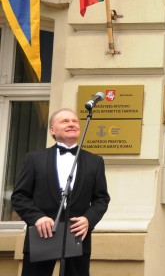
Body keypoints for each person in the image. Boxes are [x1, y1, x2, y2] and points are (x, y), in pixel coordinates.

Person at [11, 108, 110, 276]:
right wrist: (37, 218)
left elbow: (101, 199)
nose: (71, 124)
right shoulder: (34, 159)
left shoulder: (95, 161)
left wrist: (88, 219)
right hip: (42, 234)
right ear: (52, 130)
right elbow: (19, 196)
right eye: (65, 121)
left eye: (75, 121)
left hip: (76, 235)